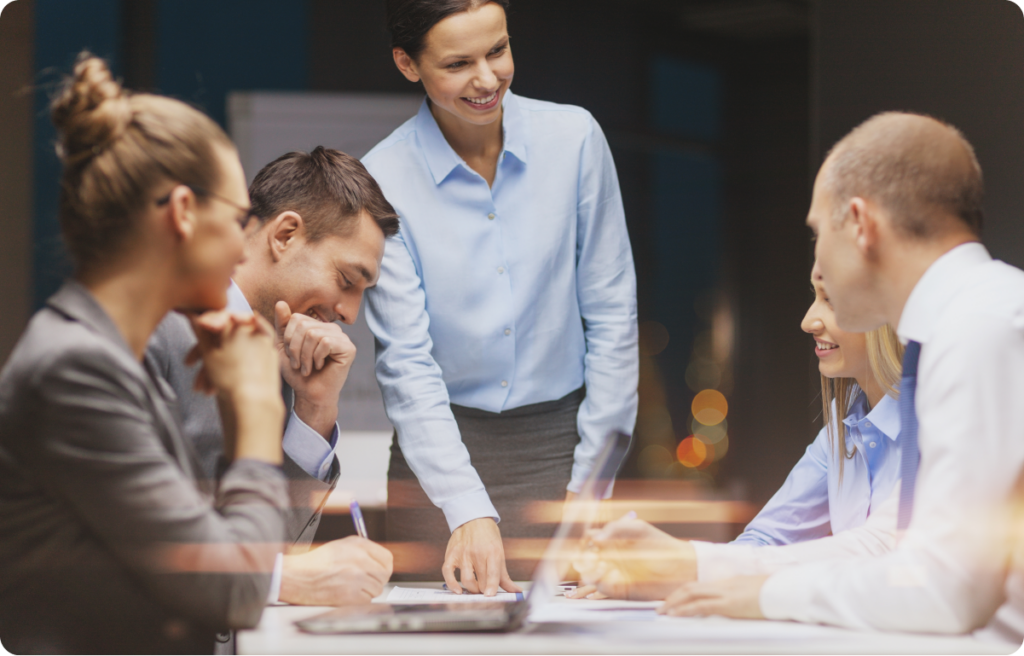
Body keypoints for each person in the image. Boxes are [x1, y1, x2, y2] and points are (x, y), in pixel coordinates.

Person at [639, 112, 1024, 640]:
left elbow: (945, 589)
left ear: (862, 226)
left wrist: (765, 595)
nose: (818, 263)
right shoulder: (977, 319)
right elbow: (903, 541)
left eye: (818, 233)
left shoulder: (979, 328)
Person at [0, 53, 288, 655]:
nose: (243, 246)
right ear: (183, 212)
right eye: (238, 219)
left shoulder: (109, 358)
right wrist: (260, 408)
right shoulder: (74, 369)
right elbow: (232, 588)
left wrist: (239, 412)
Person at [362, 0, 638, 594]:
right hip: (437, 458)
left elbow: (613, 317)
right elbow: (406, 360)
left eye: (498, 50)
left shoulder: (575, 140)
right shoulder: (382, 179)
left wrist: (589, 491)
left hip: (563, 446)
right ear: (407, 64)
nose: (487, 79)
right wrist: (463, 505)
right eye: (458, 63)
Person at [147, 147, 398, 610]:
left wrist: (315, 410)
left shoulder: (281, 358)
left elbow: (274, 551)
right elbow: (126, 532)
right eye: (347, 278)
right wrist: (281, 579)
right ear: (284, 235)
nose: (350, 312)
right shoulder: (154, 326)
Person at [570, 263, 904, 600]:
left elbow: (883, 551)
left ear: (888, 307)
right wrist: (656, 576)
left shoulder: (938, 423)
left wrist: (682, 566)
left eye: (830, 300)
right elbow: (765, 540)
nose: (808, 322)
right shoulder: (842, 432)